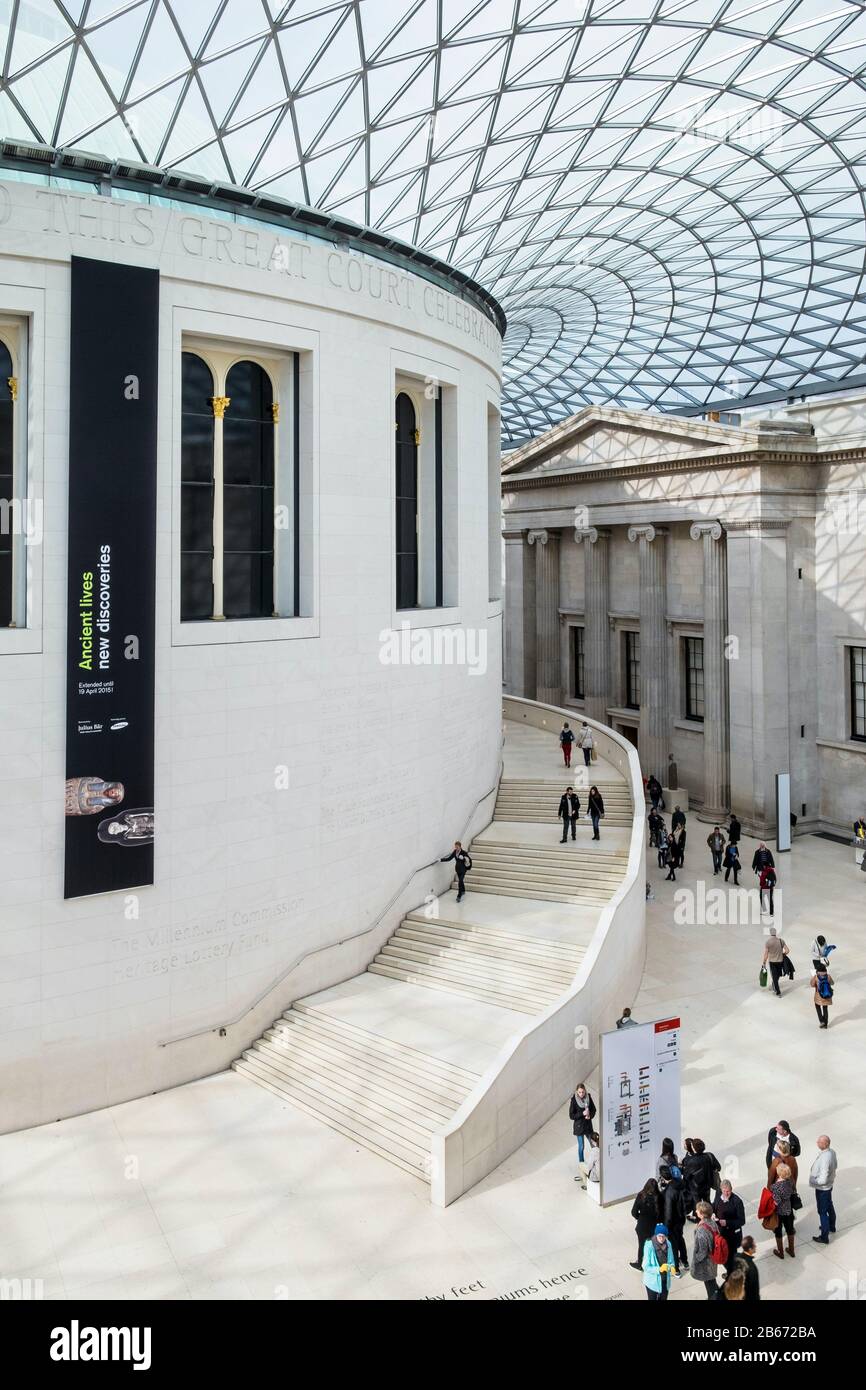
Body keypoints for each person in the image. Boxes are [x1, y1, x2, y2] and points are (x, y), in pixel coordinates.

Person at [659, 1165, 688, 1275]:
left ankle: (676, 1269)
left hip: (673, 1222)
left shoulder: (669, 1192)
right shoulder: (679, 1184)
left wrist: (666, 1227)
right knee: (680, 1239)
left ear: (663, 1177)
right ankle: (685, 1261)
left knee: (673, 1245)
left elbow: (668, 1211)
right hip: (681, 1218)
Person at [712, 1180, 746, 1273]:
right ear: (721, 1190)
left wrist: (727, 1223)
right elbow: (714, 1206)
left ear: (731, 1189)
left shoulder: (737, 1201)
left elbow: (742, 1221)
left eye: (728, 1191)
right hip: (721, 1233)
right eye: (724, 1191)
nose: (726, 1193)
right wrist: (713, 1213)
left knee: (732, 1257)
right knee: (723, 1255)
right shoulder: (718, 1195)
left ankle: (733, 1274)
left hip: (732, 1236)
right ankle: (730, 1272)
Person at [809, 1135, 837, 1244]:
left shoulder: (825, 1157)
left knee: (822, 1212)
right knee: (829, 1205)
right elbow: (835, 1166)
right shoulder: (832, 1152)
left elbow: (823, 1178)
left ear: (825, 1144)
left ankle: (824, 1237)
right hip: (829, 1186)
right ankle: (831, 1226)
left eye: (819, 1141)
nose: (817, 1142)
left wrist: (814, 1181)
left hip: (823, 1189)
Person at [691, 1201, 722, 1298]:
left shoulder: (701, 1230)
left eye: (697, 1210)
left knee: (709, 1285)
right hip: (713, 1259)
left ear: (702, 1214)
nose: (696, 1211)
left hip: (706, 1263)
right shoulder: (712, 1223)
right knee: (712, 1281)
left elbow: (702, 1251)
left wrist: (696, 1258)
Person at [682, 1138, 718, 1218]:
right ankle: (710, 1217)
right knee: (707, 1202)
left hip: (696, 1189)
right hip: (707, 1186)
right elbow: (718, 1167)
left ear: (694, 1149)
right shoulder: (709, 1155)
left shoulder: (691, 1161)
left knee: (697, 1206)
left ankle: (698, 1219)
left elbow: (686, 1176)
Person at [630, 1178, 661, 1269]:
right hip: (654, 1227)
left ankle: (640, 1264)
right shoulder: (659, 1197)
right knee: (654, 1245)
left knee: (641, 1245)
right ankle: (655, 1262)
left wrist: (639, 1218)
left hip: (642, 1226)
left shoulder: (641, 1196)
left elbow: (633, 1212)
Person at [769, 1162, 796, 1259]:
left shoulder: (775, 1187)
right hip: (788, 1210)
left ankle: (781, 1253)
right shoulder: (790, 1183)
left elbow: (776, 1202)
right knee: (790, 1229)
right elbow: (793, 1192)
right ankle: (791, 1250)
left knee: (778, 1231)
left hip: (779, 1213)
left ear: (779, 1173)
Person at [642, 1224, 676, 1301]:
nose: (661, 1238)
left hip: (664, 1280)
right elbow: (645, 1266)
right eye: (659, 1236)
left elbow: (671, 1260)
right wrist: (659, 1269)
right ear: (656, 1235)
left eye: (663, 1236)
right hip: (652, 1282)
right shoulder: (649, 1246)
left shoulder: (668, 1244)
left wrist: (672, 1267)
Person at [568, 1083, 596, 1167]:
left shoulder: (588, 1097)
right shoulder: (574, 1100)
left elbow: (594, 1109)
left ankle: (595, 1161)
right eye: (579, 1092)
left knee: (594, 1144)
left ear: (585, 1091)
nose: (581, 1094)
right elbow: (571, 1115)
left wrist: (590, 1115)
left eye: (583, 1092)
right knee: (581, 1146)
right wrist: (582, 1113)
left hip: (588, 1126)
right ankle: (581, 1164)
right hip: (579, 1127)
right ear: (577, 1091)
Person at [762, 927, 789, 997]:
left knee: (774, 976)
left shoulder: (768, 942)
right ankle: (776, 987)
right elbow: (787, 950)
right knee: (778, 975)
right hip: (780, 961)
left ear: (770, 933)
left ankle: (778, 992)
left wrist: (764, 962)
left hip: (772, 962)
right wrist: (783, 954)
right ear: (776, 933)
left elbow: (766, 954)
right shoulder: (781, 941)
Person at [811, 963, 834, 1029]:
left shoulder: (816, 977)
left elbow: (812, 985)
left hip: (818, 996)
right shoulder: (828, 976)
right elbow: (832, 983)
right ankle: (825, 1024)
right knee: (825, 1008)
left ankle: (821, 1021)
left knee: (817, 1006)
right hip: (827, 995)